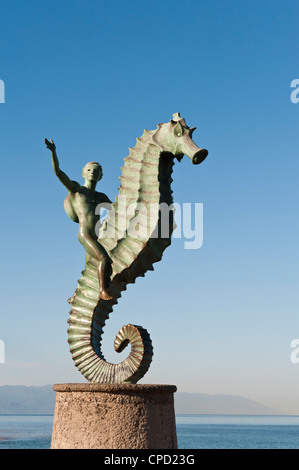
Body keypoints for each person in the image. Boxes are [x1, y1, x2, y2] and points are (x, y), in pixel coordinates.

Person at [45, 138, 113, 301]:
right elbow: (58, 172)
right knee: (104, 259)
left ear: (101, 176)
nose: (93, 173)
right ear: (83, 173)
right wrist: (54, 152)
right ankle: (102, 291)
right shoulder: (76, 190)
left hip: (98, 235)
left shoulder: (100, 197)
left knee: (90, 268)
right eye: (90, 170)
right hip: (85, 234)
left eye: (96, 171)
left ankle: (75, 295)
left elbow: (117, 210)